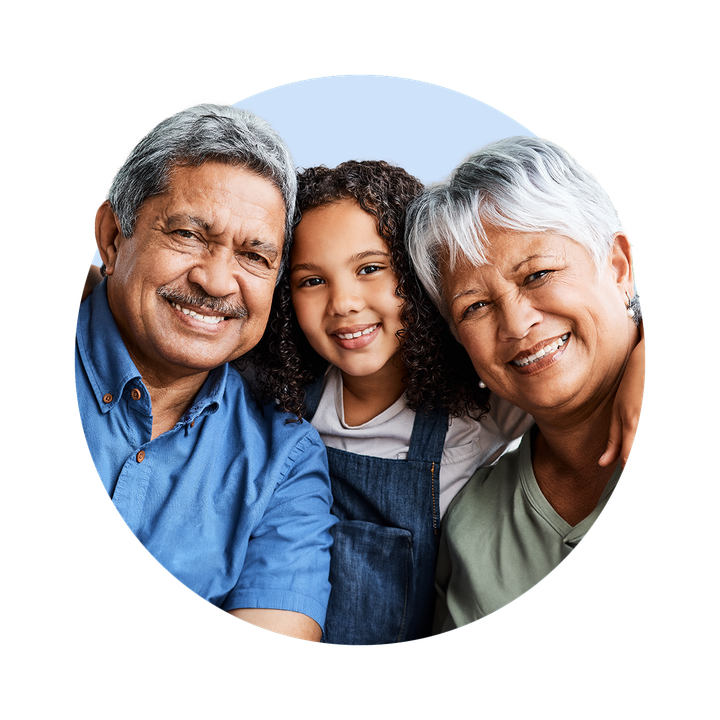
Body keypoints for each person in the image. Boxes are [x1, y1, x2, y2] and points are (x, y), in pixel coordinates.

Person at [247, 159, 644, 645]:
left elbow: (586, 353)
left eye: (539, 274)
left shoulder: (475, 405)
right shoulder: (270, 398)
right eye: (475, 306)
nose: (345, 302)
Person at [74, 101, 336, 642]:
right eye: (189, 235)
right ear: (112, 235)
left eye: (254, 257)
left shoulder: (283, 462)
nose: (218, 282)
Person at [405, 135, 646, 630]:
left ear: (618, 266)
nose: (515, 325)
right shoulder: (470, 521)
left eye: (537, 274)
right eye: (474, 306)